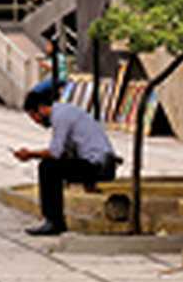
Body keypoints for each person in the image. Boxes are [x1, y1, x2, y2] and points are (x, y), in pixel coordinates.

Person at [13, 84, 118, 237]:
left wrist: (30, 154)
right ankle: (54, 220)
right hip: (99, 163)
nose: (36, 122)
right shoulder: (66, 112)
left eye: (33, 116)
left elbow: (54, 153)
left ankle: (53, 221)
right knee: (55, 166)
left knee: (48, 167)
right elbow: (68, 152)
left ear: (41, 108)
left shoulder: (60, 116)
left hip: (100, 166)